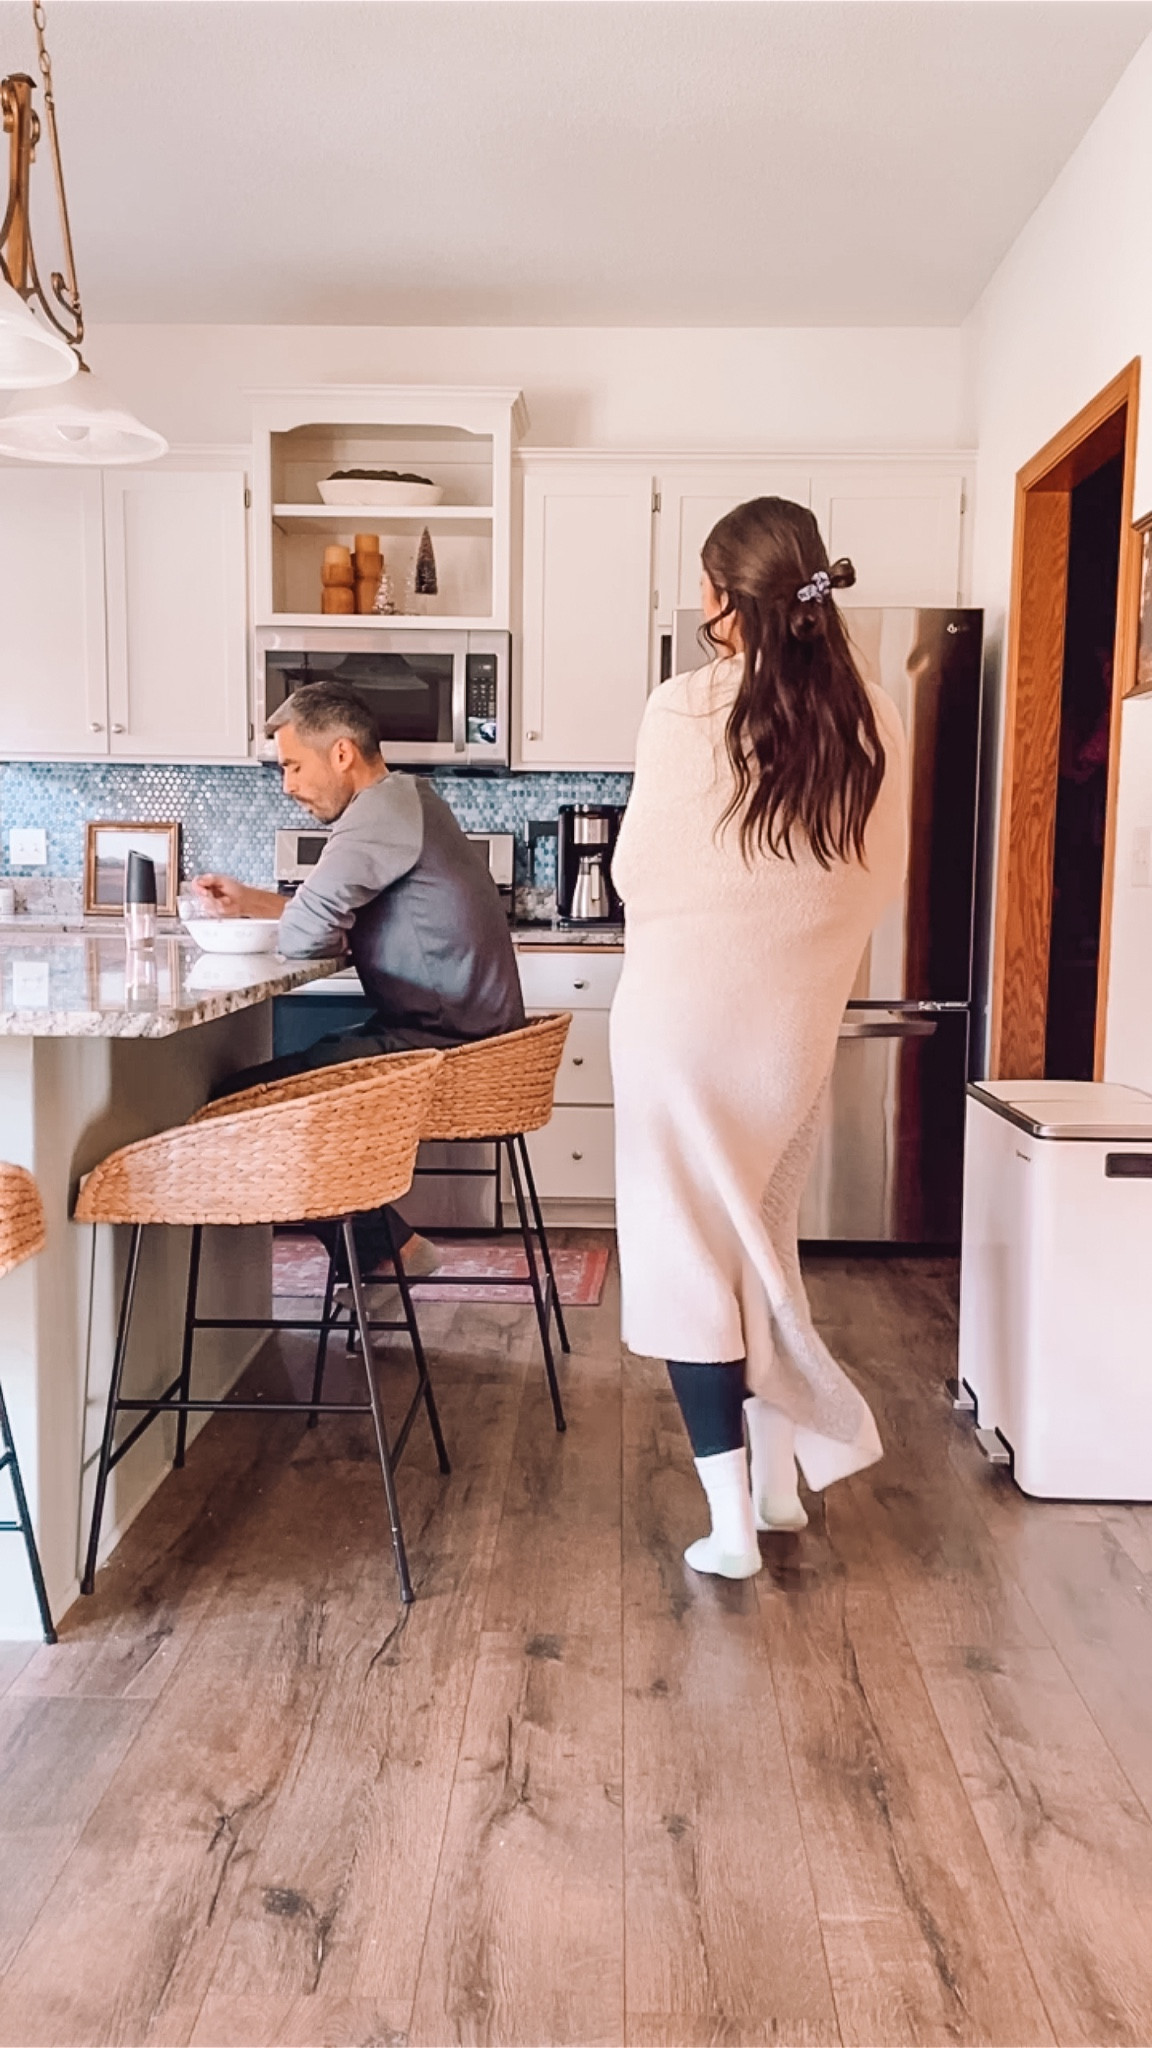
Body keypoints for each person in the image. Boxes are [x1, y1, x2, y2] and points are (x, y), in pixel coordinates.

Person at [609, 497, 908, 1579]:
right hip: (792, 1035)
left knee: (692, 1264)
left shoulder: (681, 708)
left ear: (721, 598)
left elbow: (636, 871)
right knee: (762, 1249)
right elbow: (875, 879)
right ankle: (779, 1485)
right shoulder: (873, 714)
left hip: (676, 1032)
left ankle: (732, 1529)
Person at [197, 681, 525, 1276]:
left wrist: (293, 917)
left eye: (294, 766)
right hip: (462, 1035)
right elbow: (334, 918)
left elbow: (306, 936)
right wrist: (252, 902)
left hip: (447, 1048)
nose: (288, 785)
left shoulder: (375, 816)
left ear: (342, 753)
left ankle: (384, 1250)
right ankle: (381, 1251)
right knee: (295, 1078)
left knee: (238, 1103)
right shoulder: (407, 799)